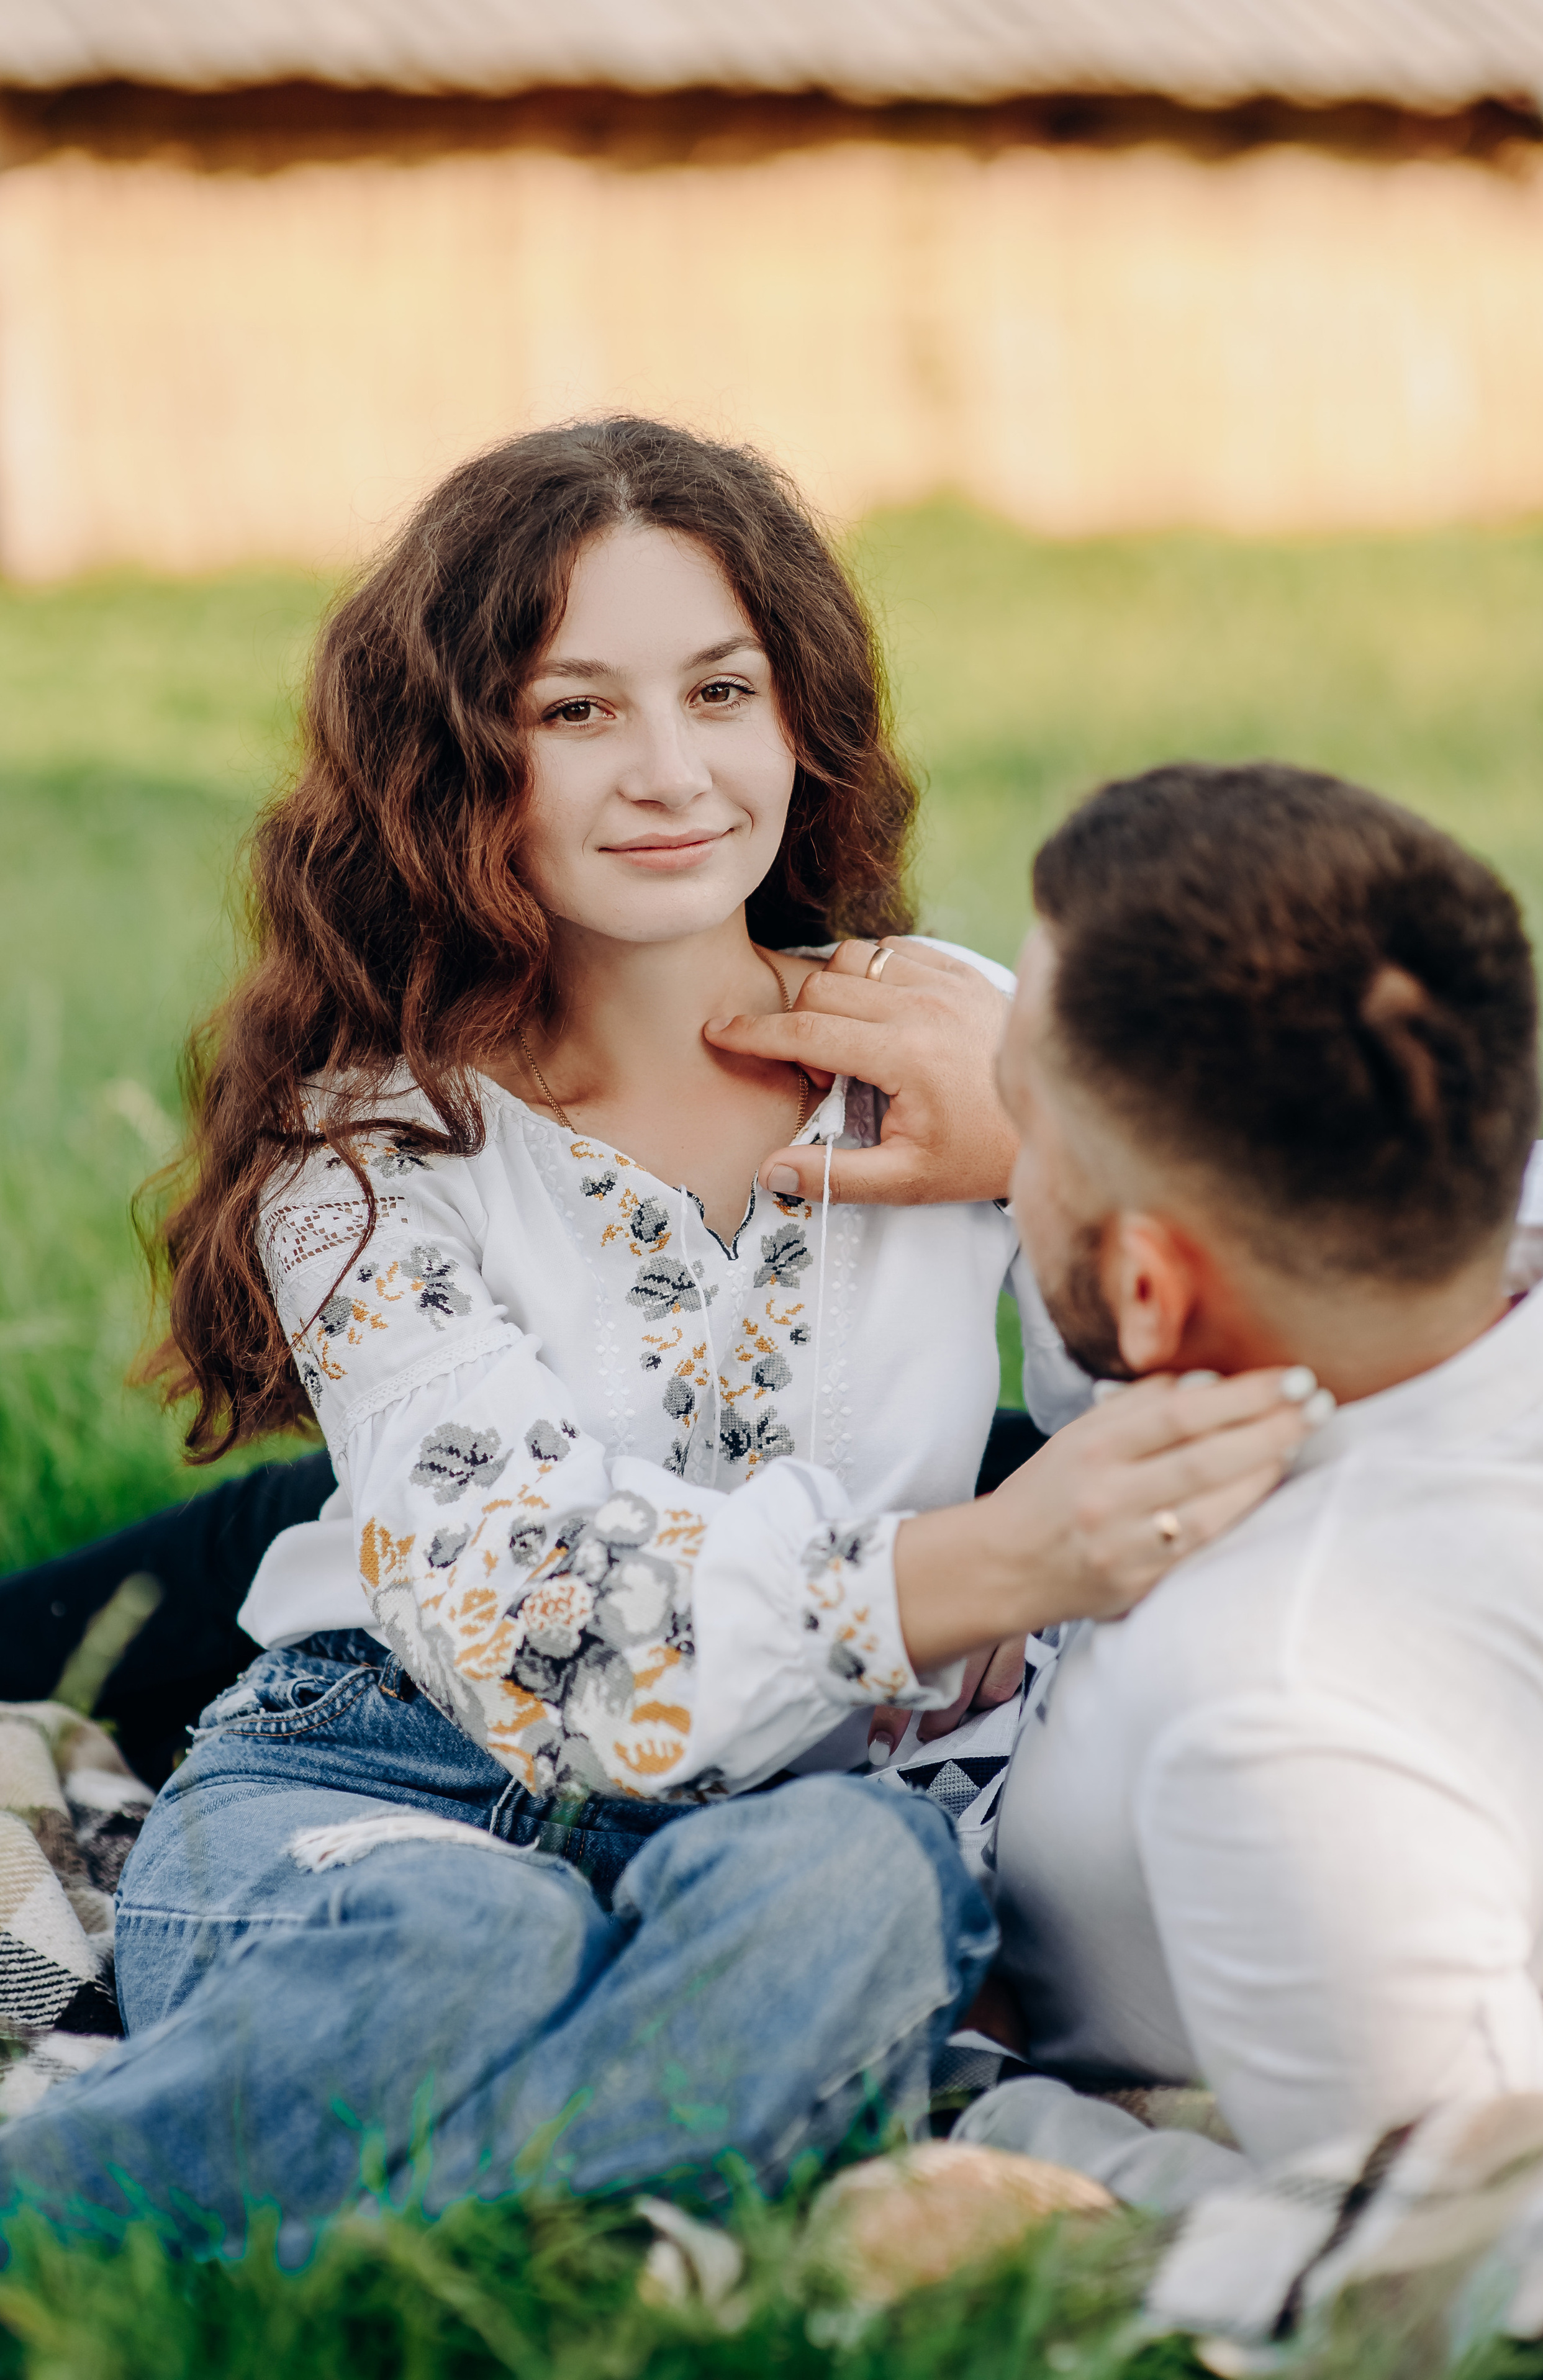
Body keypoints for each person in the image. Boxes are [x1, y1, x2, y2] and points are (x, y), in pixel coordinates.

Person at [0, 427, 1313, 2241]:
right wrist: (977, 1565)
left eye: (722, 690)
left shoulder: (956, 1033)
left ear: (803, 722)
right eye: (578, 711)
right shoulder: (369, 1155)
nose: (675, 772)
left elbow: (1240, 1338)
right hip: (387, 1770)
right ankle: (430, 2225)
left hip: (794, 1811)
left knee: (866, 1887)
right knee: (465, 1938)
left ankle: (363, 2250)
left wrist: (1042, 1150)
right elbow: (538, 1623)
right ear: (454, 761)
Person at [951, 760, 1543, 2204]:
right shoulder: (1526, 1221)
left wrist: (981, 2124)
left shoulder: (1277, 1708)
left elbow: (1456, 2262)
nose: (1004, 1156)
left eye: (1017, 1120)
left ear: (1147, 1281)